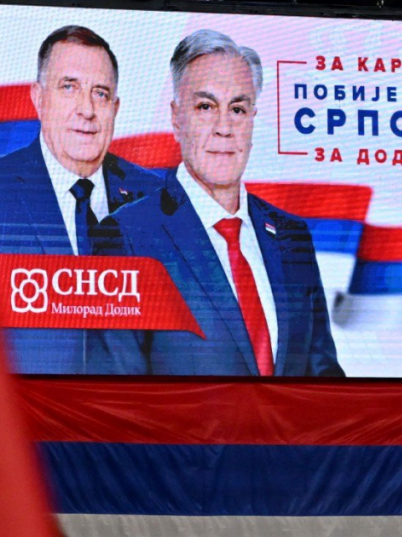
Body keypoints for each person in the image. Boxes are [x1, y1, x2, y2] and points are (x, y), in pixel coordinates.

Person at [89, 29, 342, 377]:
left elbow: (325, 383)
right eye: (206, 107)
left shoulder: (292, 237)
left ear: (252, 119)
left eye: (237, 108)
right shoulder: (127, 237)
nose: (224, 128)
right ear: (177, 118)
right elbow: (119, 394)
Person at [0, 26, 162, 373]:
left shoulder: (158, 198)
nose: (87, 109)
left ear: (115, 107)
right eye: (69, 87)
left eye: (100, 93)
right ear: (38, 97)